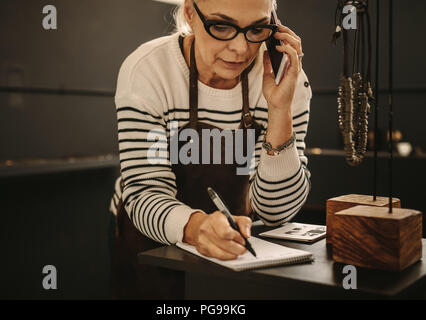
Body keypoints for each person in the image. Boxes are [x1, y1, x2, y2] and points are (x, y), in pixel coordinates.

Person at [109, 0, 312, 298]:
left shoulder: (284, 80)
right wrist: (197, 226)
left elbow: (276, 212)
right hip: (148, 240)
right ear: (190, 13)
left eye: (257, 28)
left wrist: (280, 110)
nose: (241, 48)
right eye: (221, 26)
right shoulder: (148, 71)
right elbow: (144, 193)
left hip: (233, 247)